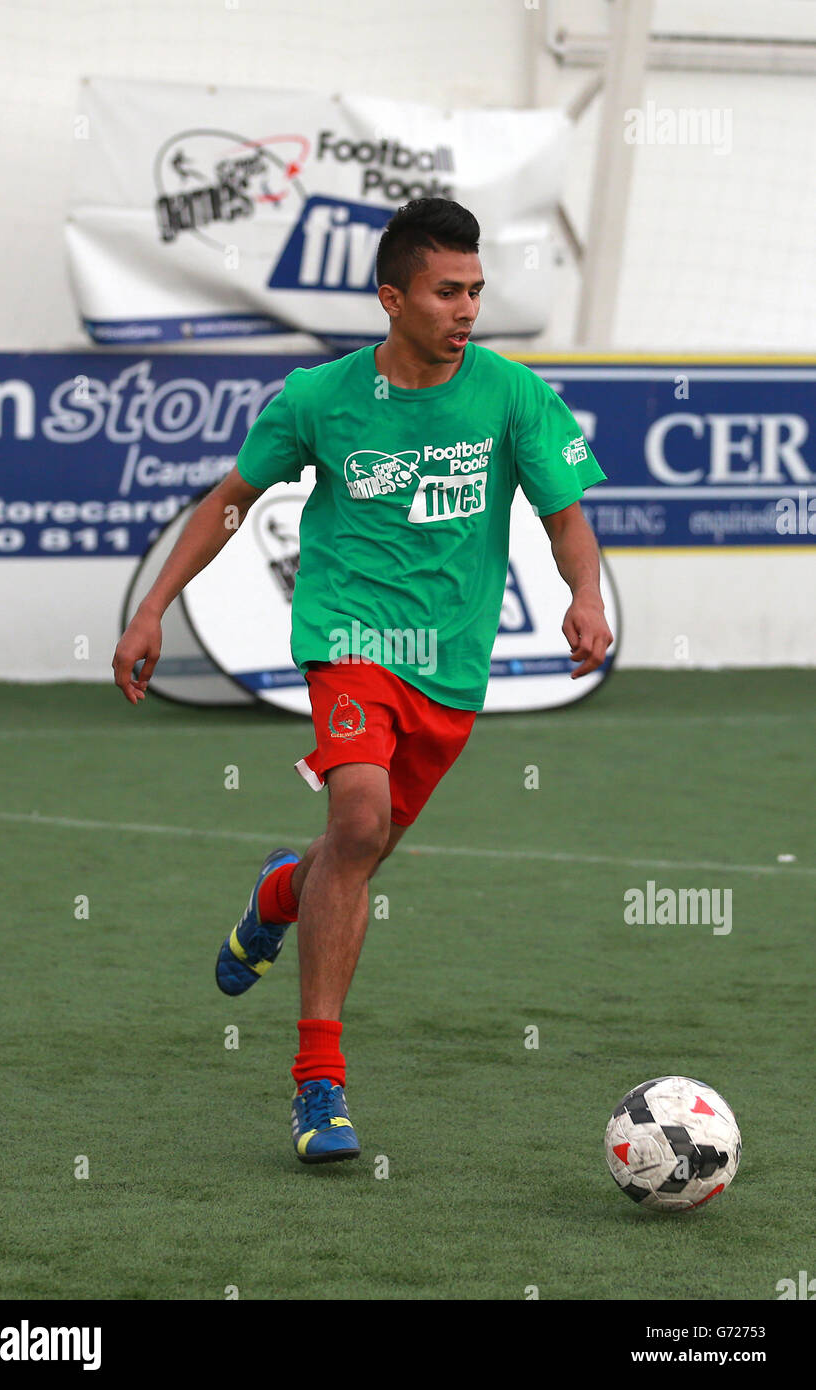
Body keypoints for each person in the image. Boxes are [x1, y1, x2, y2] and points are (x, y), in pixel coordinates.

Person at [112, 197, 614, 1165]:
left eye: (474, 290)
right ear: (391, 298)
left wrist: (581, 595)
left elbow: (563, 517)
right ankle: (317, 1083)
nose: (465, 308)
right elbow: (228, 504)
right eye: (444, 292)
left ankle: (275, 893)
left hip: (451, 671)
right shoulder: (317, 398)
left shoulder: (513, 396)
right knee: (354, 820)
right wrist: (149, 610)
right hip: (348, 641)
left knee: (360, 846)